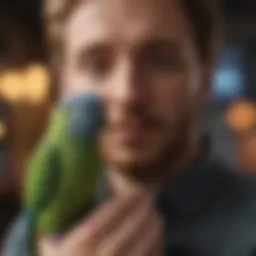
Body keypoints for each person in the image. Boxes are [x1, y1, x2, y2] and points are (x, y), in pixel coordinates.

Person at [3, 0, 256, 255]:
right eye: (96, 65)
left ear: (206, 79)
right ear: (62, 85)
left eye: (160, 61)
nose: (127, 93)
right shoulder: (29, 234)